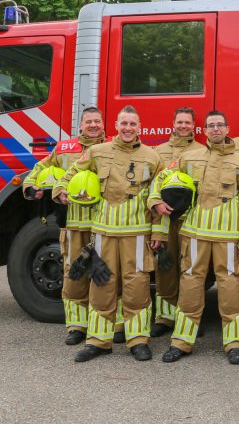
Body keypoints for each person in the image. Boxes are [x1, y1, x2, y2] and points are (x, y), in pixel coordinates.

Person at [54, 105, 163, 362]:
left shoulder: (153, 157)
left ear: (140, 127)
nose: (128, 128)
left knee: (137, 287)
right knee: (101, 286)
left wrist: (159, 232)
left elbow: (158, 195)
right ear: (115, 126)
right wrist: (60, 188)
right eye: (124, 124)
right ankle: (98, 341)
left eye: (132, 124)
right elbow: (72, 173)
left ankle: (138, 340)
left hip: (137, 233)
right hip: (103, 232)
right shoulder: (97, 152)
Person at [156, 110, 239, 365]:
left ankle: (235, 343)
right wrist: (155, 200)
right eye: (211, 125)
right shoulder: (188, 158)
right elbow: (161, 180)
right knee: (190, 286)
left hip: (229, 238)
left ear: (228, 128)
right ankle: (181, 342)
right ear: (205, 130)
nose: (215, 129)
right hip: (195, 235)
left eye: (220, 125)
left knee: (232, 288)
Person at [23, 106, 106, 345]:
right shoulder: (64, 148)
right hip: (73, 225)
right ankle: (77, 327)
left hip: (104, 225)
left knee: (104, 275)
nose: (93, 125)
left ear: (103, 124)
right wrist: (31, 187)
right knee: (73, 275)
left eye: (97, 121)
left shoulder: (112, 147)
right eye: (88, 121)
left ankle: (107, 325)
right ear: (80, 125)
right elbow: (40, 168)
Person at [149, 107, 204, 337]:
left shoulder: (202, 151)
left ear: (194, 125)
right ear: (173, 123)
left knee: (190, 270)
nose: (183, 126)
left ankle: (188, 318)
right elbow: (151, 186)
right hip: (164, 219)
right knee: (165, 267)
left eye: (187, 122)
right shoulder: (158, 152)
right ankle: (164, 317)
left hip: (191, 219)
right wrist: (156, 224)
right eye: (179, 122)